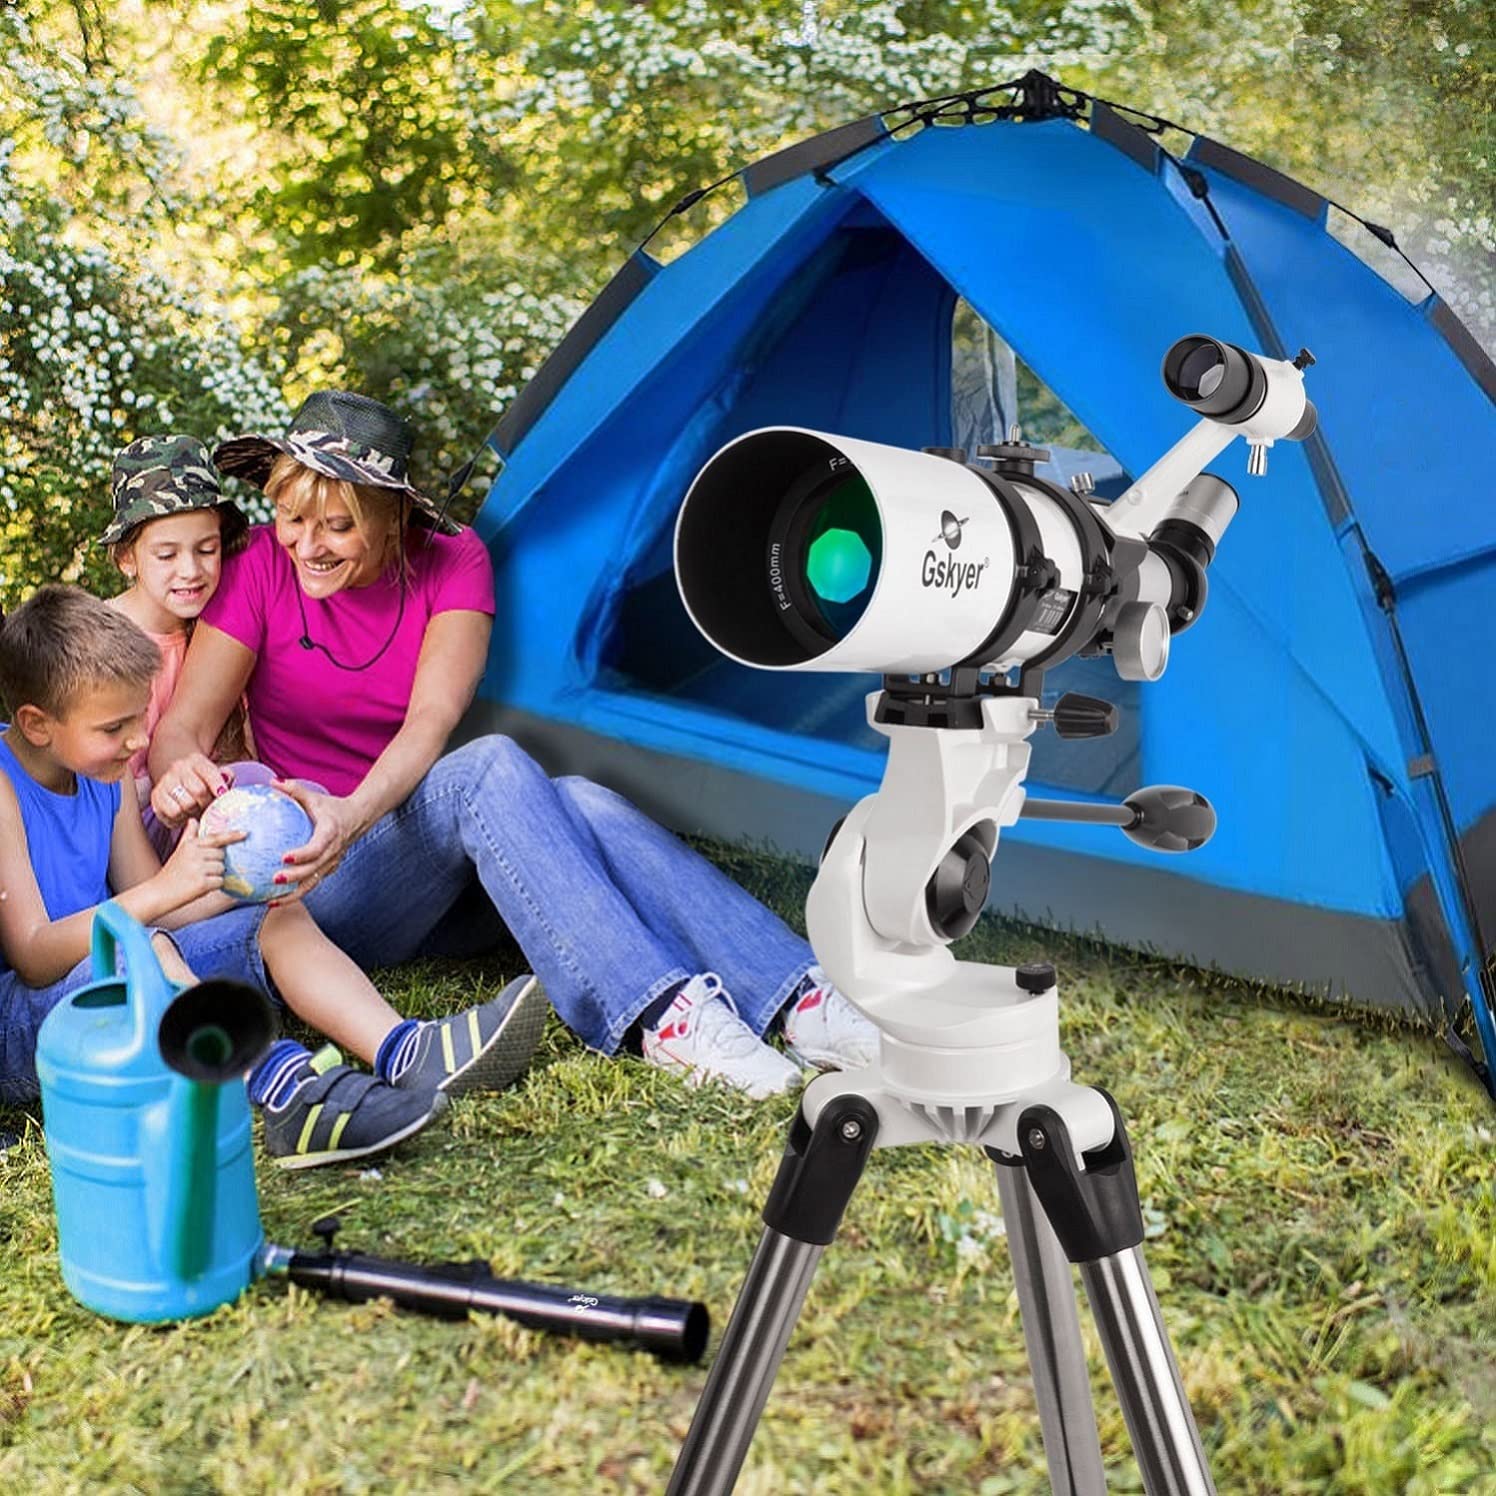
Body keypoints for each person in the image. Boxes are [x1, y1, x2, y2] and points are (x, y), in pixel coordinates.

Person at [149, 391, 879, 1098]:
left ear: (393, 516)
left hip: (424, 855)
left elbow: (429, 724)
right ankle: (662, 1015)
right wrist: (179, 770)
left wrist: (351, 814)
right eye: (290, 518)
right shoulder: (258, 573)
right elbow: (183, 728)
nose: (307, 544)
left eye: (336, 526)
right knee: (496, 770)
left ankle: (799, 999)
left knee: (576, 800)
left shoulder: (453, 560)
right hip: (318, 885)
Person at [0, 586, 543, 1168]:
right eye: (115, 728)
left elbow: (160, 902)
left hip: (124, 971)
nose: (137, 742)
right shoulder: (4, 786)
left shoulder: (104, 778)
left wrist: (228, 874)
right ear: (36, 724)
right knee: (146, 948)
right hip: (29, 1024)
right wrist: (166, 890)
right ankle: (287, 1095)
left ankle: (406, 1050)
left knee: (272, 918)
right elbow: (34, 954)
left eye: (139, 719)